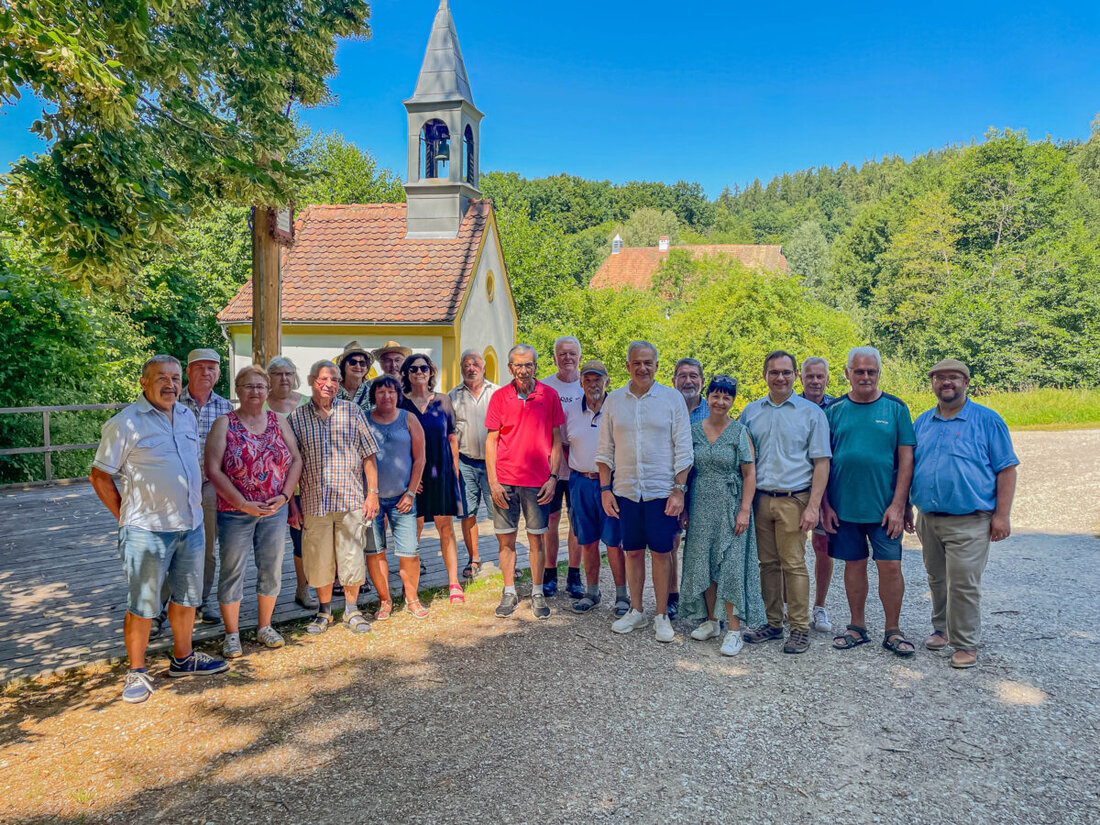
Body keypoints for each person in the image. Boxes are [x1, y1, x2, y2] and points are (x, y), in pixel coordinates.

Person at [90, 355, 228, 703]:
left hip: (191, 525)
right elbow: (100, 476)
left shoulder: (185, 414)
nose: (170, 384)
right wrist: (126, 516)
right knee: (143, 604)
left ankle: (183, 659)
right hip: (147, 531)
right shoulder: (125, 424)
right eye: (161, 378)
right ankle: (136, 672)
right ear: (143, 382)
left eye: (175, 378)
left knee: (185, 598)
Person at [908, 359, 1019, 669]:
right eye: (940, 378)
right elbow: (908, 468)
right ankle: (941, 630)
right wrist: (904, 505)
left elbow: (1006, 469)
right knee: (937, 579)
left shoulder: (987, 420)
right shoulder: (922, 422)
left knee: (964, 582)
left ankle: (966, 644)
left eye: (953, 378)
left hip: (971, 519)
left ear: (966, 382)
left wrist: (1002, 515)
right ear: (932, 383)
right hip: (929, 519)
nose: (947, 383)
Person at [821, 348, 916, 657]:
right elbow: (821, 461)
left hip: (885, 509)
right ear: (847, 373)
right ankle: (857, 627)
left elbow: (906, 459)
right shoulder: (833, 411)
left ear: (878, 374)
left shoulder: (896, 409)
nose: (865, 377)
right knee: (854, 564)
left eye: (871, 372)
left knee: (890, 566)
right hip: (844, 508)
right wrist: (825, 506)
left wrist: (899, 505)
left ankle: (893, 630)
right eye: (858, 371)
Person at [596, 341, 693, 643]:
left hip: (661, 491)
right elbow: (605, 449)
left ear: (656, 365)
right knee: (633, 551)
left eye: (648, 362)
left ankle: (661, 615)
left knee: (662, 553)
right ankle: (636, 610)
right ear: (627, 366)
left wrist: (679, 491)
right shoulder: (613, 400)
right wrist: (605, 489)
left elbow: (684, 449)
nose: (642, 368)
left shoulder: (671, 399)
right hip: (625, 491)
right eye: (636, 362)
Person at [205, 365, 302, 658]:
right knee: (232, 570)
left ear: (268, 390)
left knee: (271, 567)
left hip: (274, 509)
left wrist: (285, 496)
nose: (255, 391)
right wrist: (242, 503)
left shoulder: (278, 421)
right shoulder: (225, 423)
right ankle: (232, 633)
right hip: (235, 510)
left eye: (260, 386)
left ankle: (264, 626)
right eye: (249, 386)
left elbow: (296, 459)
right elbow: (213, 469)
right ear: (238, 390)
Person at [740, 350, 831, 654]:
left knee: (793, 564)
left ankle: (801, 628)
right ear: (764, 375)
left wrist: (814, 506)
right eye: (774, 372)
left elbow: (821, 462)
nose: (780, 377)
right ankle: (773, 623)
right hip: (761, 500)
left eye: (786, 372)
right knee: (767, 564)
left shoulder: (810, 413)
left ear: (795, 376)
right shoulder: (751, 412)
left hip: (794, 499)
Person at [289, 360, 380, 635]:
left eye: (334, 380)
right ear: (311, 381)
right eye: (322, 379)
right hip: (313, 501)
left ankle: (352, 610)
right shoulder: (296, 417)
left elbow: (369, 454)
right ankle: (324, 611)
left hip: (351, 499)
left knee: (351, 557)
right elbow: (291, 463)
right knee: (318, 559)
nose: (328, 385)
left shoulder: (352, 411)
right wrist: (292, 503)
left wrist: (372, 494)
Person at [680, 375, 765, 656]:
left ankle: (733, 630)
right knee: (704, 561)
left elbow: (749, 473)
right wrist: (684, 505)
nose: (720, 401)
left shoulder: (740, 432)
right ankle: (711, 621)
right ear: (708, 397)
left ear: (732, 401)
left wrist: (744, 510)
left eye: (726, 397)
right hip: (701, 503)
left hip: (731, 505)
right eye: (716, 395)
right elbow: (687, 471)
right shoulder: (693, 431)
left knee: (730, 567)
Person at [485, 344, 564, 620]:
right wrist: (493, 482)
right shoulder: (499, 397)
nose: (523, 370)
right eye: (518, 365)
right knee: (505, 541)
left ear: (535, 367)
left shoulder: (549, 395)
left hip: (538, 482)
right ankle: (509, 591)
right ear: (510, 368)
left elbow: (556, 441)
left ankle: (538, 592)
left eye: (528, 364)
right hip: (505, 481)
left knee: (537, 540)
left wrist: (554, 477)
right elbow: (492, 441)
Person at [560, 360, 627, 614]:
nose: (592, 384)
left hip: (610, 483)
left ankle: (622, 596)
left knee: (613, 542)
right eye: (587, 380)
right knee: (586, 540)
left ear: (607, 380)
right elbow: (567, 444)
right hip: (580, 482)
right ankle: (592, 592)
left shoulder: (617, 408)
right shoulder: (572, 412)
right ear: (581, 382)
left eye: (597, 379)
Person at [399, 353, 464, 603]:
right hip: (414, 477)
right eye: (413, 368)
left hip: (442, 473)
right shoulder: (401, 404)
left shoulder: (444, 401)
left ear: (430, 372)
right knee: (411, 532)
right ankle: (410, 588)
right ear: (406, 373)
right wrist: (410, 480)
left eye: (423, 368)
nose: (419, 372)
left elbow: (452, 439)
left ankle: (454, 582)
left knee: (445, 528)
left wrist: (454, 475)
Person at [368, 375, 429, 619]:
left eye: (391, 392)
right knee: (375, 552)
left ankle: (412, 598)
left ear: (398, 394)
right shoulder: (365, 420)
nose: (387, 396)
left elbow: (420, 458)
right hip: (371, 500)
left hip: (402, 499)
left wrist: (411, 492)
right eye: (381, 392)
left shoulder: (408, 418)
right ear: (374, 395)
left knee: (409, 551)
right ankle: (385, 601)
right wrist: (368, 495)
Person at [180, 348, 233, 625]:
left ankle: (202, 599)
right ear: (187, 372)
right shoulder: (171, 402)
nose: (206, 373)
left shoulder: (225, 407)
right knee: (171, 544)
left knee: (207, 546)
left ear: (219, 374)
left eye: (212, 368)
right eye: (199, 367)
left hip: (210, 484)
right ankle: (159, 608)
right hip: (175, 485)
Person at [265, 356, 315, 610]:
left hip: (305, 482)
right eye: (277, 374)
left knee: (302, 539)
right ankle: (266, 596)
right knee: (268, 546)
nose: (283, 378)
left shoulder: (307, 403)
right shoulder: (260, 405)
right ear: (268, 378)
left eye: (288, 373)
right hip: (268, 485)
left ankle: (303, 588)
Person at [448, 349, 497, 579]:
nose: (471, 367)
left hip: (493, 464)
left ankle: (508, 558)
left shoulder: (496, 393)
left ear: (483, 367)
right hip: (466, 463)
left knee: (501, 512)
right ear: (461, 367)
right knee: (468, 513)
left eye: (476, 363)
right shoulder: (452, 396)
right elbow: (450, 434)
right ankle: (474, 558)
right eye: (466, 364)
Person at [541, 336, 584, 599]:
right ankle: (549, 572)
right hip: (552, 464)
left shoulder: (588, 384)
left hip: (580, 463)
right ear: (555, 358)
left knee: (577, 521)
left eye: (572, 353)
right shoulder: (545, 386)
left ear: (579, 356)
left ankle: (575, 574)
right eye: (562, 354)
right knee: (551, 519)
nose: (567, 358)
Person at [668, 356, 709, 619]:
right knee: (670, 543)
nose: (688, 381)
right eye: (682, 376)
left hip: (705, 487)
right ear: (673, 381)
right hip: (673, 486)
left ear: (702, 381)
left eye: (693, 376)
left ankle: (703, 600)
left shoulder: (715, 409)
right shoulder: (666, 408)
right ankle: (673, 596)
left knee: (703, 546)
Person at [799, 355, 838, 633]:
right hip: (796, 488)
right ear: (801, 378)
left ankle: (819, 606)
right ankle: (792, 603)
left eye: (819, 376)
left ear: (826, 378)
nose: (815, 381)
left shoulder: (838, 408)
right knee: (791, 550)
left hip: (828, 490)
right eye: (809, 376)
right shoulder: (793, 405)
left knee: (823, 548)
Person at [335, 341, 374, 408]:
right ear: (343, 366)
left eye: (362, 363)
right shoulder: (332, 392)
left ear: (366, 368)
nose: (358, 366)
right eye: (353, 362)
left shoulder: (373, 393)